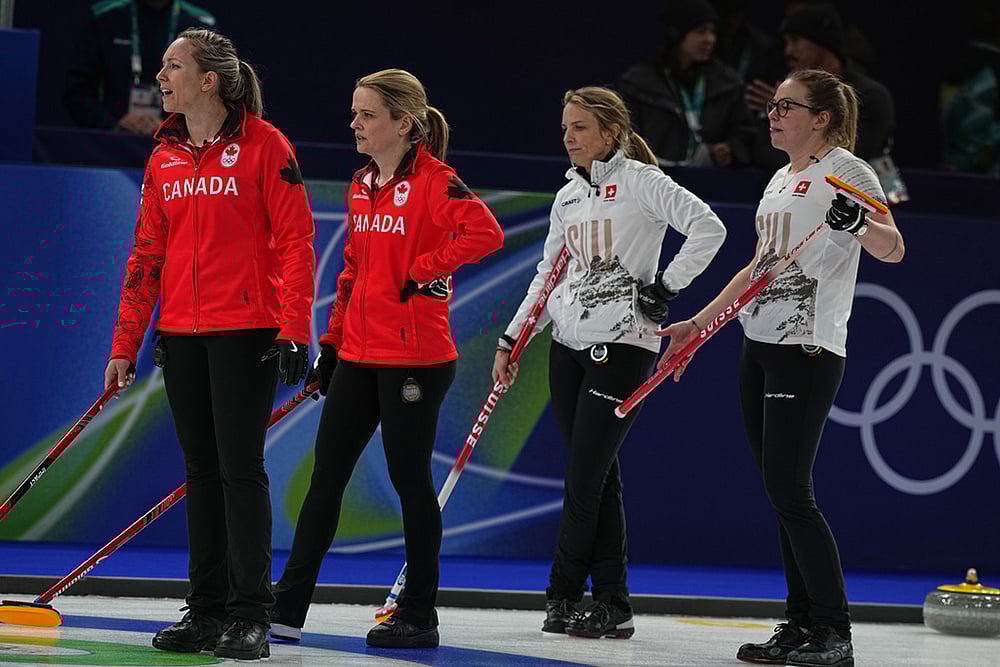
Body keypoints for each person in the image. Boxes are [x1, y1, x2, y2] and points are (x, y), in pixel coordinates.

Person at [658, 68, 904, 666]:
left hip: (808, 348)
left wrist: (861, 222)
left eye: (786, 107)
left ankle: (834, 632)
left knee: (792, 490)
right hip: (758, 343)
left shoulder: (849, 171)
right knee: (779, 491)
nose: (772, 115)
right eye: (771, 105)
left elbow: (893, 246)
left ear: (820, 118)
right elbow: (757, 267)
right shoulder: (778, 178)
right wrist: (699, 323)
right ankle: (799, 625)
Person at [268, 69, 504, 649]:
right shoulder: (361, 183)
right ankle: (286, 607)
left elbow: (487, 233)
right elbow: (350, 270)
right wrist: (329, 345)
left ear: (404, 123)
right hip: (358, 354)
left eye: (367, 114)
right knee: (325, 479)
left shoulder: (436, 181)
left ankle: (419, 613)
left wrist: (424, 270)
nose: (355, 123)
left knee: (408, 480)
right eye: (355, 113)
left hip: (415, 360)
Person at [105, 27, 315, 661]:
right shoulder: (163, 155)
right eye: (162, 66)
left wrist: (293, 329)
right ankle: (206, 610)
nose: (160, 78)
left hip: (246, 332)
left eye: (172, 67)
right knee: (200, 472)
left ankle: (251, 613)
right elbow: (146, 255)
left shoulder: (264, 145)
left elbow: (296, 243)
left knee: (238, 469)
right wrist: (125, 343)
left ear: (209, 81)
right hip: (183, 335)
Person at [494, 86, 726, 639]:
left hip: (621, 347)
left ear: (612, 132)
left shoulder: (643, 182)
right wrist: (512, 339)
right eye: (565, 127)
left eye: (579, 127)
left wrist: (665, 285)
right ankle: (612, 600)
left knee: (584, 477)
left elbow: (708, 228)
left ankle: (565, 593)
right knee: (597, 476)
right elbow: (548, 275)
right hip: (567, 348)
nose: (567, 137)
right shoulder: (568, 197)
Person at [745, 4, 897, 174]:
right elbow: (764, 153)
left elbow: (846, 158)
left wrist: (789, 111)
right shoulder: (782, 89)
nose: (788, 51)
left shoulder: (870, 95)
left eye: (795, 40)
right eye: (786, 42)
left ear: (822, 42)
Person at [618, 0, 756, 167]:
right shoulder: (639, 83)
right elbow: (626, 135)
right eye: (700, 31)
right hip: (654, 176)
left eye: (712, 32)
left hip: (711, 177)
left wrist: (731, 149)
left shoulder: (728, 82)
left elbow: (745, 132)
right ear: (677, 34)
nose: (709, 39)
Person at [65, 0, 216, 133]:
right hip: (111, 144)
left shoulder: (202, 25)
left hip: (179, 147)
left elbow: (212, 96)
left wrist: (176, 129)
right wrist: (110, 125)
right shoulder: (104, 16)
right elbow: (78, 90)